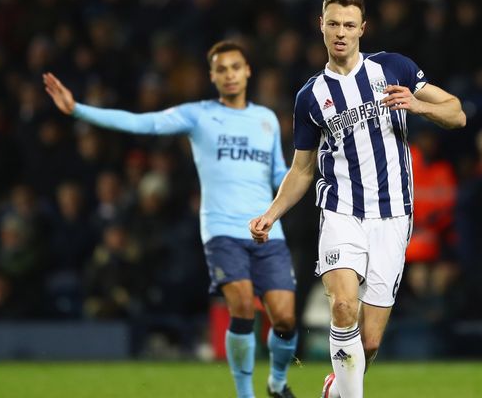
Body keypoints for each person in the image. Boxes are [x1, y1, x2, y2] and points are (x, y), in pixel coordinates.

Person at [43, 41, 298, 398]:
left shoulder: (267, 119)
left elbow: (279, 174)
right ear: (212, 76)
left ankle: (277, 382)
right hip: (222, 230)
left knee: (286, 320)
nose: (229, 75)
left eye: (235, 67)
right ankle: (245, 395)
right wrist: (79, 110)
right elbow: (143, 123)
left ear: (247, 71)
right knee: (241, 307)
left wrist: (312, 179)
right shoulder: (199, 115)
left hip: (269, 229)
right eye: (221, 69)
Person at [249, 0, 466, 398]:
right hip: (341, 211)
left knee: (368, 344)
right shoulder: (310, 97)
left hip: (394, 216)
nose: (341, 33)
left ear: (363, 29)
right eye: (333, 24)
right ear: (321, 26)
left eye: (350, 25)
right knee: (343, 306)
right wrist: (271, 213)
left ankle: (336, 389)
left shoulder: (393, 68)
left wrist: (419, 108)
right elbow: (302, 169)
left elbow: (457, 112)